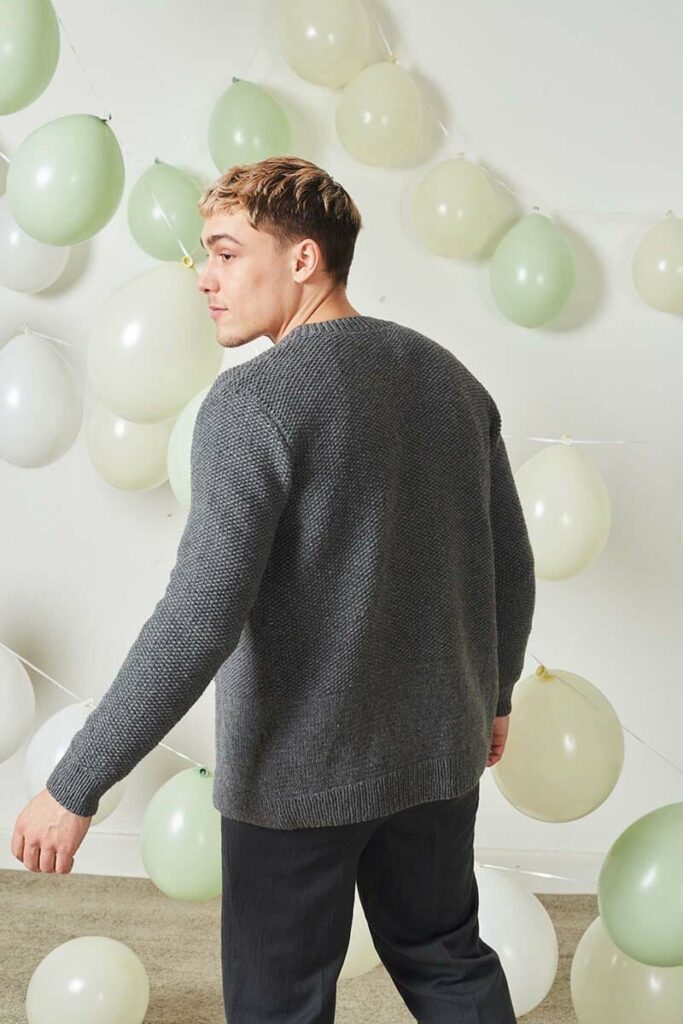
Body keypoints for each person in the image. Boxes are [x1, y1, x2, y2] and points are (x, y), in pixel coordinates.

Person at [11, 155, 535, 1023]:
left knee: (278, 1004)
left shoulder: (253, 403)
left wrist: (76, 783)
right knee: (446, 961)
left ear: (303, 260)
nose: (204, 279)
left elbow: (198, 619)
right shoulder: (449, 379)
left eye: (225, 253)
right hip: (438, 752)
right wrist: (496, 696)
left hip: (299, 774)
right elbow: (508, 564)